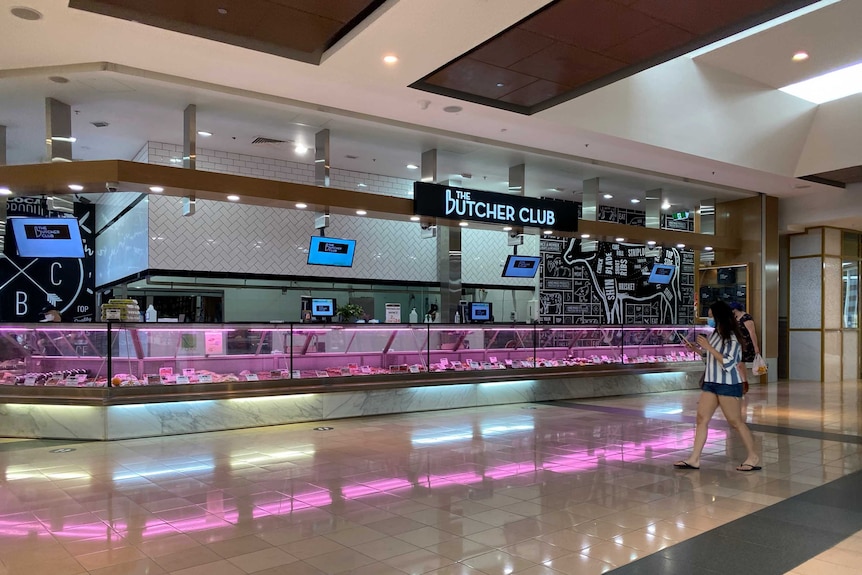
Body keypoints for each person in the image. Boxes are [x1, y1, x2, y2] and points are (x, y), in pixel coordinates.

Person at [675, 300, 760, 472]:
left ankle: (753, 456)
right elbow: (710, 357)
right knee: (701, 419)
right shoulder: (714, 334)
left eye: (711, 316)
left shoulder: (733, 338)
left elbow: (729, 363)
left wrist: (708, 347)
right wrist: (696, 350)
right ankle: (694, 458)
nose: (709, 319)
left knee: (735, 422)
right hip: (711, 383)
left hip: (728, 384)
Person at [729, 302, 759, 394]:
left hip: (746, 344)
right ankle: (743, 382)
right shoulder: (735, 318)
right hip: (737, 344)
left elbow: (752, 333)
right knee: (739, 365)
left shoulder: (746, 318)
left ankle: (744, 383)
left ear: (734, 309)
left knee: (740, 364)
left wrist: (755, 346)